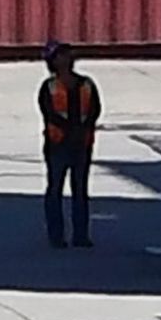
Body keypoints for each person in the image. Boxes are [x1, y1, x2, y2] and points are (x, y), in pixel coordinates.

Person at [39, 43, 101, 249]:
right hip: (58, 144)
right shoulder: (49, 87)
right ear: (53, 61)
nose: (67, 58)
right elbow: (49, 112)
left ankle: (81, 235)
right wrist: (69, 129)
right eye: (62, 55)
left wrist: (83, 129)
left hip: (82, 143)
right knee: (55, 188)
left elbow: (94, 110)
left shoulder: (87, 84)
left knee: (80, 189)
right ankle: (56, 236)